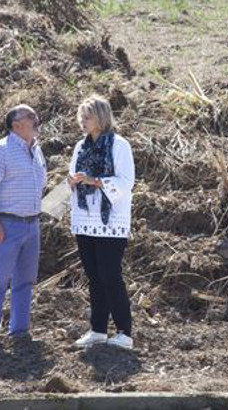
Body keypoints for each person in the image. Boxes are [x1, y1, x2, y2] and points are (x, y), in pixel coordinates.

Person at [0, 104, 47, 350]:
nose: (36, 119)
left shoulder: (36, 150)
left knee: (25, 281)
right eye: (30, 116)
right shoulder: (0, 151)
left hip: (32, 224)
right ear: (16, 125)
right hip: (8, 224)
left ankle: (19, 330)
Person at [67, 95, 135, 350]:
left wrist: (95, 181)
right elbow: (73, 175)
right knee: (94, 277)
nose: (82, 122)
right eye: (81, 117)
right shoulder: (80, 146)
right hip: (85, 219)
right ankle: (97, 329)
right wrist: (72, 181)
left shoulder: (119, 145)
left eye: (88, 117)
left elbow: (126, 182)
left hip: (111, 221)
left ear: (101, 118)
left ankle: (124, 332)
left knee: (110, 275)